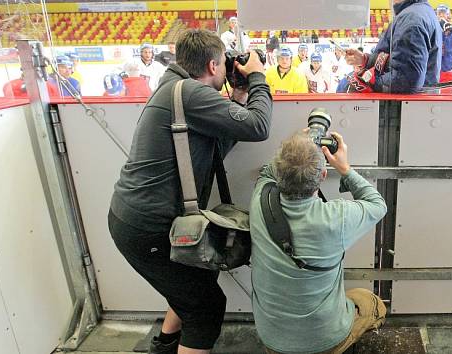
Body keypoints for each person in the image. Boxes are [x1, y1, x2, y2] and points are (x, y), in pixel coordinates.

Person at [108, 29, 272, 354]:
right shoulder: (190, 94)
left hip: (136, 221)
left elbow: (215, 147)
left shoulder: (176, 87)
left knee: (196, 282)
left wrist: (237, 96)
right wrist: (257, 77)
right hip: (147, 229)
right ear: (213, 66)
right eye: (224, 64)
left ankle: (164, 345)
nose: (227, 69)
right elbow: (259, 126)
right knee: (205, 307)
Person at [250, 130, 387, 354]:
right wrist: (344, 168)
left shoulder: (259, 200)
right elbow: (377, 204)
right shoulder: (337, 218)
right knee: (370, 302)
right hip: (325, 341)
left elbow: (267, 171)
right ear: (323, 175)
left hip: (273, 340)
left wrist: (295, 145)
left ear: (280, 174)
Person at [344, 0, 442, 93]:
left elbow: (406, 81)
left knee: (344, 86)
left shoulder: (410, 19)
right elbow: (401, 61)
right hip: (417, 103)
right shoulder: (418, 12)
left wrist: (370, 82)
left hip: (401, 107)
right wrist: (365, 60)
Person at [436, 4, 452, 82]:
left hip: (447, 66)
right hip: (433, 66)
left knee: (447, 91)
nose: (441, 15)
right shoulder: (432, 27)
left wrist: (448, 34)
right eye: (439, 13)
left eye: (444, 13)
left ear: (448, 15)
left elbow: (451, 47)